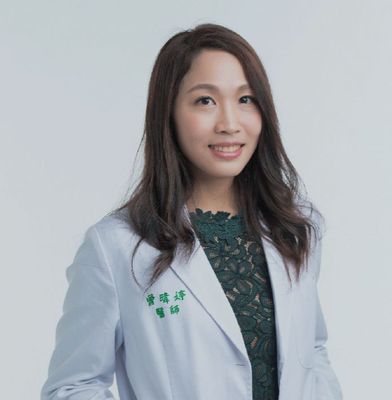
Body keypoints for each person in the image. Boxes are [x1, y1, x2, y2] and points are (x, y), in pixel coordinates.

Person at [41, 23, 343, 400]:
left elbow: (311, 353)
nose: (229, 124)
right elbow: (73, 387)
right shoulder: (115, 246)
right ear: (168, 112)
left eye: (246, 99)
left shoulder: (295, 226)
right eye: (205, 101)